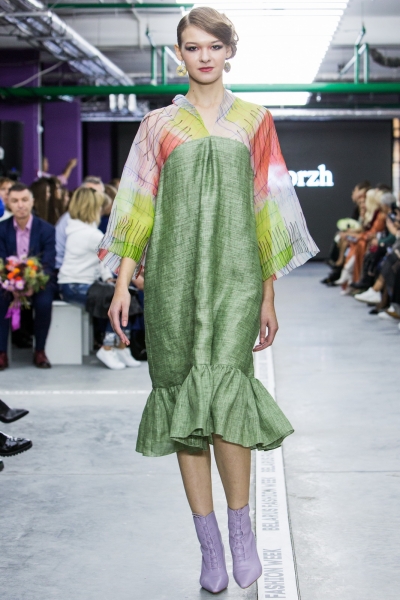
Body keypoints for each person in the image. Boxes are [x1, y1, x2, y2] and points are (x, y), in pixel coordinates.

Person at [99, 7, 318, 594]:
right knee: (184, 403)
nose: (203, 56)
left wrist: (268, 294)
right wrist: (122, 283)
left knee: (226, 396)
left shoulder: (255, 121)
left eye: (213, 47)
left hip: (237, 277)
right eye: (192, 47)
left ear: (229, 52)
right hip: (172, 279)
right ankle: (210, 546)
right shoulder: (157, 126)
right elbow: (139, 205)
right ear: (179, 54)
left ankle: (241, 531)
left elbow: (267, 209)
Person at [58, 187, 140, 370]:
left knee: (128, 296)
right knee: (117, 300)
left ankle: (120, 346)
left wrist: (108, 279)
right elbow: (113, 258)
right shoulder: (90, 234)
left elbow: (101, 261)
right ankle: (108, 347)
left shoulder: (80, 230)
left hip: (77, 285)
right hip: (74, 286)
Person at [0, 183, 56, 369]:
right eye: (15, 201)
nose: (20, 205)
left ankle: (40, 351)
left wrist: (32, 284)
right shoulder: (2, 229)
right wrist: (11, 284)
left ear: (32, 201)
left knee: (44, 302)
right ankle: (1, 352)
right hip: (8, 281)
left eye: (24, 200)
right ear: (8, 203)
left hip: (38, 280)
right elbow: (1, 261)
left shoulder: (46, 229)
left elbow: (48, 263)